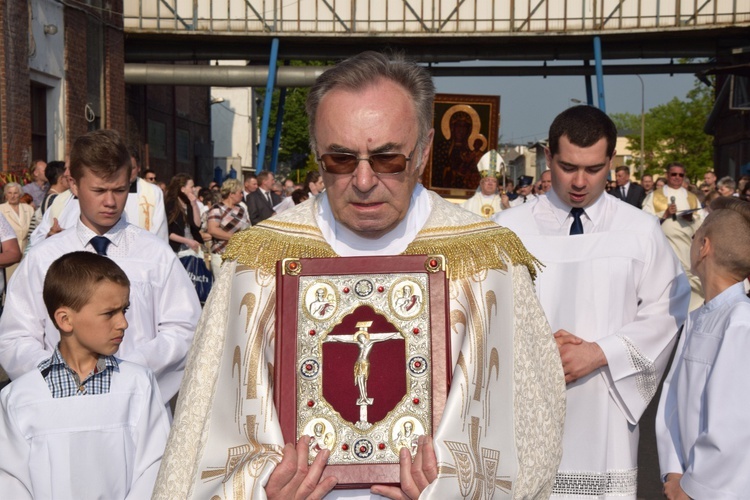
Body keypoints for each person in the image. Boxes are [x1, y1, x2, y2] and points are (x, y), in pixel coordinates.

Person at [154, 51, 565, 500]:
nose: (364, 180)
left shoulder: (484, 261)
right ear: (317, 154)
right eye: (341, 160)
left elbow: (530, 426)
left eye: (388, 159)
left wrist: (453, 490)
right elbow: (205, 429)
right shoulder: (259, 262)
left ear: (424, 150)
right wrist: (259, 488)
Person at [494, 105, 690, 500]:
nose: (580, 182)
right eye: (568, 167)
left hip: (607, 400)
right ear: (549, 157)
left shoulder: (640, 230)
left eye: (594, 169)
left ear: (611, 162)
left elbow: (667, 311)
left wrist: (600, 352)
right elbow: (484, 317)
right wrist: (536, 351)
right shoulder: (508, 230)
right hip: (526, 403)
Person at [0, 129, 200, 405]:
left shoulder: (155, 255)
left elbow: (184, 328)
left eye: (119, 190)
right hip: (61, 405)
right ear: (73, 183)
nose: (110, 202)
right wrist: (61, 372)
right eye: (98, 190)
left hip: (136, 405)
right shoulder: (44, 259)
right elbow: (16, 335)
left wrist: (129, 368)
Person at [0, 252, 171, 499]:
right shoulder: (20, 398)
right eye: (109, 313)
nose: (123, 323)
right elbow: (10, 482)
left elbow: (156, 466)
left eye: (125, 309)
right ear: (65, 320)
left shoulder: (138, 385)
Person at [656, 202, 750, 500]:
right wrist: (674, 471)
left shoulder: (740, 323)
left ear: (703, 247)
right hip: (683, 480)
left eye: (695, 236)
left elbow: (735, 426)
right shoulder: (699, 317)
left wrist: (693, 488)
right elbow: (673, 398)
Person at [29, 147, 168, 246]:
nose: (65, 173)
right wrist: (51, 238)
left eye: (119, 190)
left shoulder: (150, 193)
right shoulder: (61, 200)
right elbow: (37, 238)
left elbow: (158, 241)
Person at [643, 162, 704, 310]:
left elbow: (702, 221)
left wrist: (691, 219)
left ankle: (691, 309)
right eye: (673, 174)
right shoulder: (655, 196)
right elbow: (644, 220)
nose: (677, 178)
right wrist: (664, 214)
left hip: (686, 247)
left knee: (691, 280)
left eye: (680, 175)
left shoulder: (691, 197)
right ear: (667, 175)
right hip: (664, 246)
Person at [206, 178, 250, 275]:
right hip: (221, 254)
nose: (242, 195)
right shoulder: (217, 208)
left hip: (239, 255)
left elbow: (247, 227)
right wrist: (235, 237)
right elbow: (212, 230)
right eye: (240, 192)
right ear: (231, 194)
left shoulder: (241, 209)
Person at [0, 182, 34, 280]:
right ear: (6, 195)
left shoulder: (29, 209)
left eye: (15, 193)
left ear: (20, 194)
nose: (12, 196)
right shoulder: (1, 209)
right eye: (9, 193)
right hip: (8, 253)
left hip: (26, 253)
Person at [460, 149, 508, 218]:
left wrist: (507, 206)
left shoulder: (504, 203)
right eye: (487, 180)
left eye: (494, 181)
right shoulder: (468, 205)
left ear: (497, 185)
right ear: (481, 183)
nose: (490, 183)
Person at [165, 173, 203, 253]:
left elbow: (197, 226)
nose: (194, 189)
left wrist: (194, 205)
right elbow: (168, 232)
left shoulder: (190, 204)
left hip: (192, 249)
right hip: (176, 250)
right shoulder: (170, 204)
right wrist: (187, 241)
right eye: (191, 187)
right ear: (182, 189)